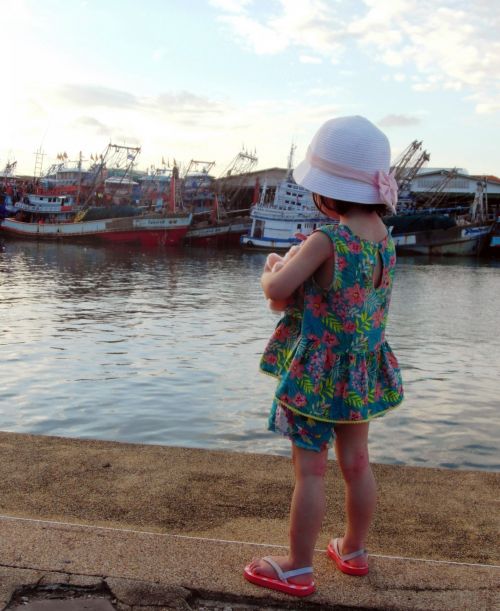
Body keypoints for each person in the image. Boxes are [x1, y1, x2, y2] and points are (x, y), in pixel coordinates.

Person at [243, 116, 404, 597]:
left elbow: (277, 288)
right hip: (361, 370)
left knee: (310, 470)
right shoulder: (385, 242)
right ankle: (353, 549)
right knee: (357, 464)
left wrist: (274, 264)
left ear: (327, 193)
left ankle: (297, 565)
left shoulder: (326, 240)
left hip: (317, 374)